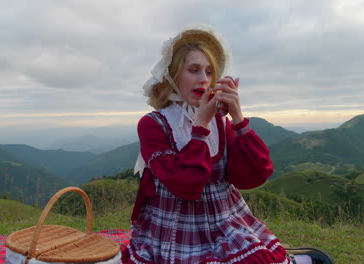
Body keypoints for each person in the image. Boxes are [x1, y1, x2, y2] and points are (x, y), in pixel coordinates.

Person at [121, 26, 289, 264]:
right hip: (175, 226)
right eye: (194, 70)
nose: (204, 79)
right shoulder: (154, 124)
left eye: (209, 72)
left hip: (225, 218)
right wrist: (200, 127)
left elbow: (253, 176)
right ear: (174, 75)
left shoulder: (221, 124)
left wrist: (238, 119)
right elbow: (185, 185)